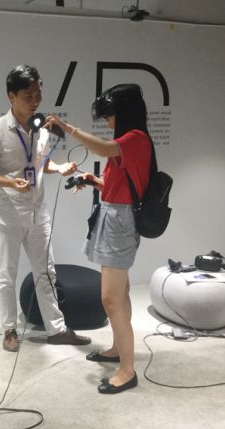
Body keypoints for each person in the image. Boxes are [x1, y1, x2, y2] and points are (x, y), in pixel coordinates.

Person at [44, 84, 152, 393]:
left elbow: (103, 149)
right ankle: (118, 350)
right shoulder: (127, 143)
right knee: (121, 294)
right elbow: (121, 188)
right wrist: (94, 181)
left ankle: (127, 371)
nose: (108, 121)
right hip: (113, 216)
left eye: (110, 116)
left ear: (124, 112)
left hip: (119, 222)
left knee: (110, 299)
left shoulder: (135, 139)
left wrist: (66, 127)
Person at [0, 64, 91, 352]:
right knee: (7, 274)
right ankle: (9, 330)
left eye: (38, 94)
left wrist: (59, 168)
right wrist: (9, 182)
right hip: (7, 214)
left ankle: (57, 329)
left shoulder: (42, 129)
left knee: (46, 272)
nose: (35, 101)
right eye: (28, 96)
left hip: (38, 212)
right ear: (11, 96)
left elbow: (41, 163)